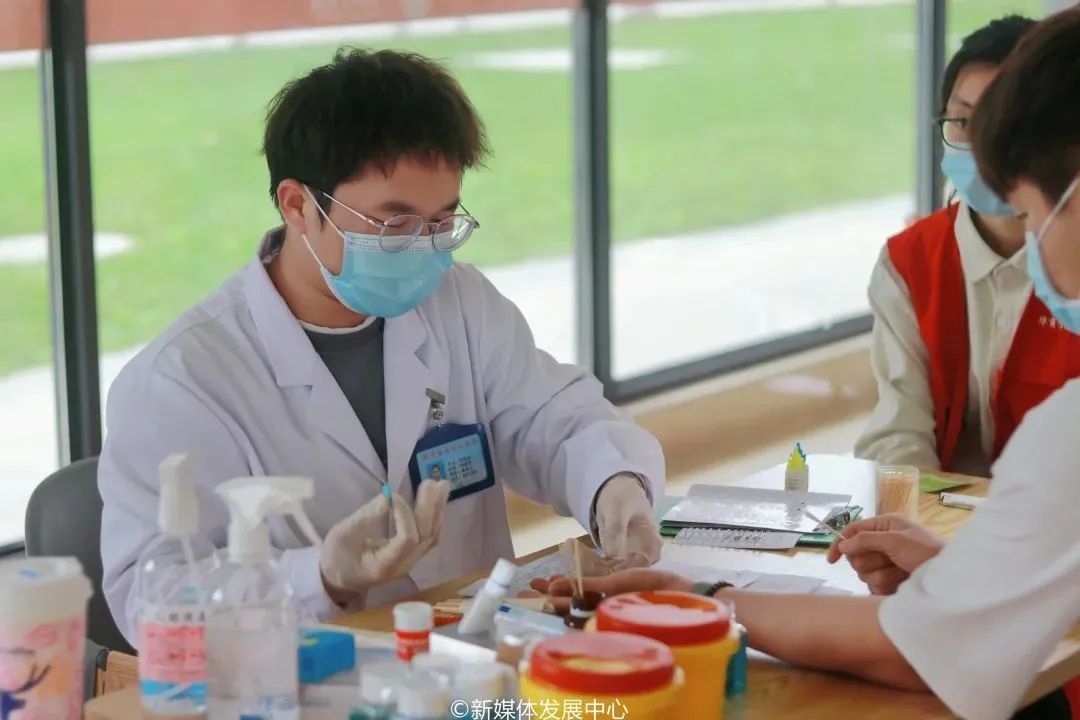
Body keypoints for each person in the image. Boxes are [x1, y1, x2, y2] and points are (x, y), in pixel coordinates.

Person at [537, 9, 1080, 719]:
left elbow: (915, 649)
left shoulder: (1068, 437)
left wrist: (699, 598)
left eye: (1034, 217)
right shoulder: (916, 260)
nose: (1032, 246)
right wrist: (969, 572)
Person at [99, 49, 665, 643]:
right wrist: (319, 577)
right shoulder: (179, 382)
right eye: (394, 224)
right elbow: (152, 600)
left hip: (473, 661)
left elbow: (549, 419)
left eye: (441, 222)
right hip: (308, 676)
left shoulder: (460, 303)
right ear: (297, 205)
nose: (423, 247)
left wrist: (614, 484)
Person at [854, 14, 1080, 478]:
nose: (979, 146)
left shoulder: (1069, 266)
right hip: (958, 511)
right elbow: (898, 434)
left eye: (998, 126)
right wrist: (916, 510)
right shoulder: (910, 261)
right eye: (961, 121)